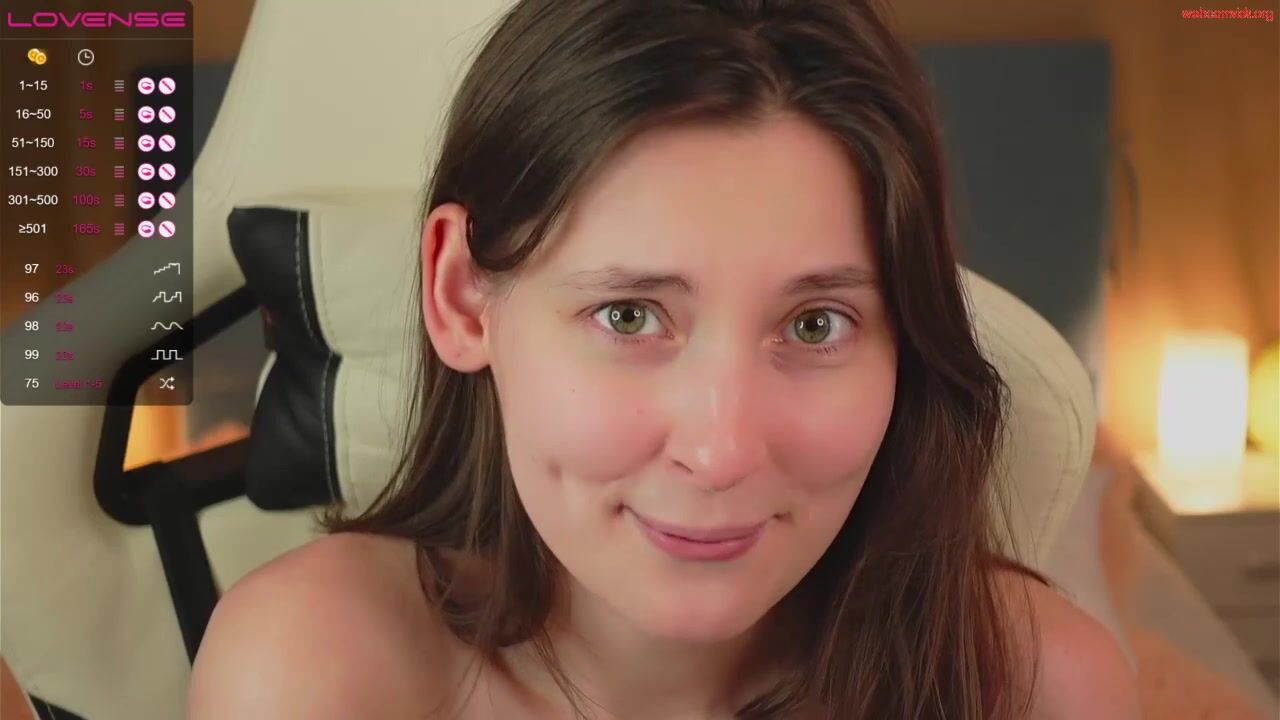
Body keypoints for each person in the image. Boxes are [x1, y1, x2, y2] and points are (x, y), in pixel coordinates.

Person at [187, 0, 1140, 717]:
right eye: (630, 315)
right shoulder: (314, 672)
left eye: (816, 325)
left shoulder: (1038, 688)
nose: (721, 453)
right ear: (462, 296)